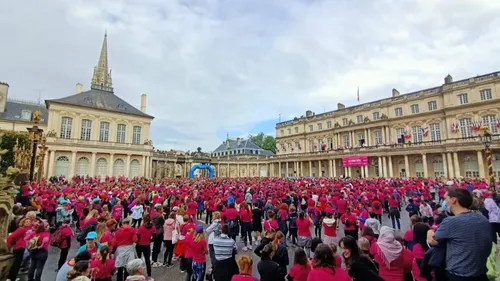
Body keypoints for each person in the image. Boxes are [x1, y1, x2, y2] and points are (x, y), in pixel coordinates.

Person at [428, 188, 492, 281]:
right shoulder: (482, 219)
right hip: (480, 272)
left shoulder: (451, 222)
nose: (445, 202)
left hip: (458, 274)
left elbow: (433, 241)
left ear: (454, 200)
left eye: (446, 199)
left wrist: (429, 232)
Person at [136, 214, 156, 279]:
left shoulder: (141, 227)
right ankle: (149, 276)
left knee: (138, 260)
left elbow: (137, 237)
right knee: (147, 261)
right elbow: (155, 237)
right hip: (147, 245)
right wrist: (149, 240)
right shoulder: (153, 227)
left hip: (139, 245)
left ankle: (138, 274)